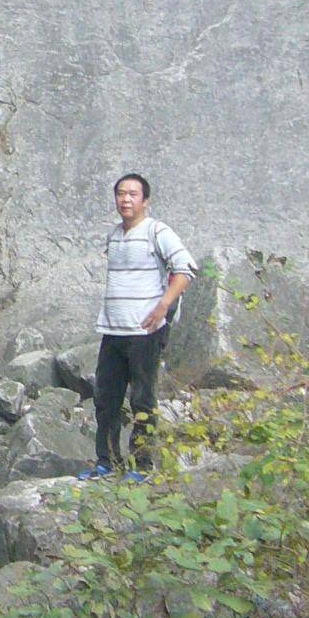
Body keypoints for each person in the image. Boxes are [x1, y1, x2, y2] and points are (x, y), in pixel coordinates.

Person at [92, 173, 196, 474]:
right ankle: (107, 462)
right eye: (121, 194)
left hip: (145, 332)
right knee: (106, 399)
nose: (125, 199)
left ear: (145, 201)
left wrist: (164, 305)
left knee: (142, 399)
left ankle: (142, 464)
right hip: (112, 330)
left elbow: (186, 268)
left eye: (133, 194)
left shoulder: (157, 231)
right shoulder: (114, 234)